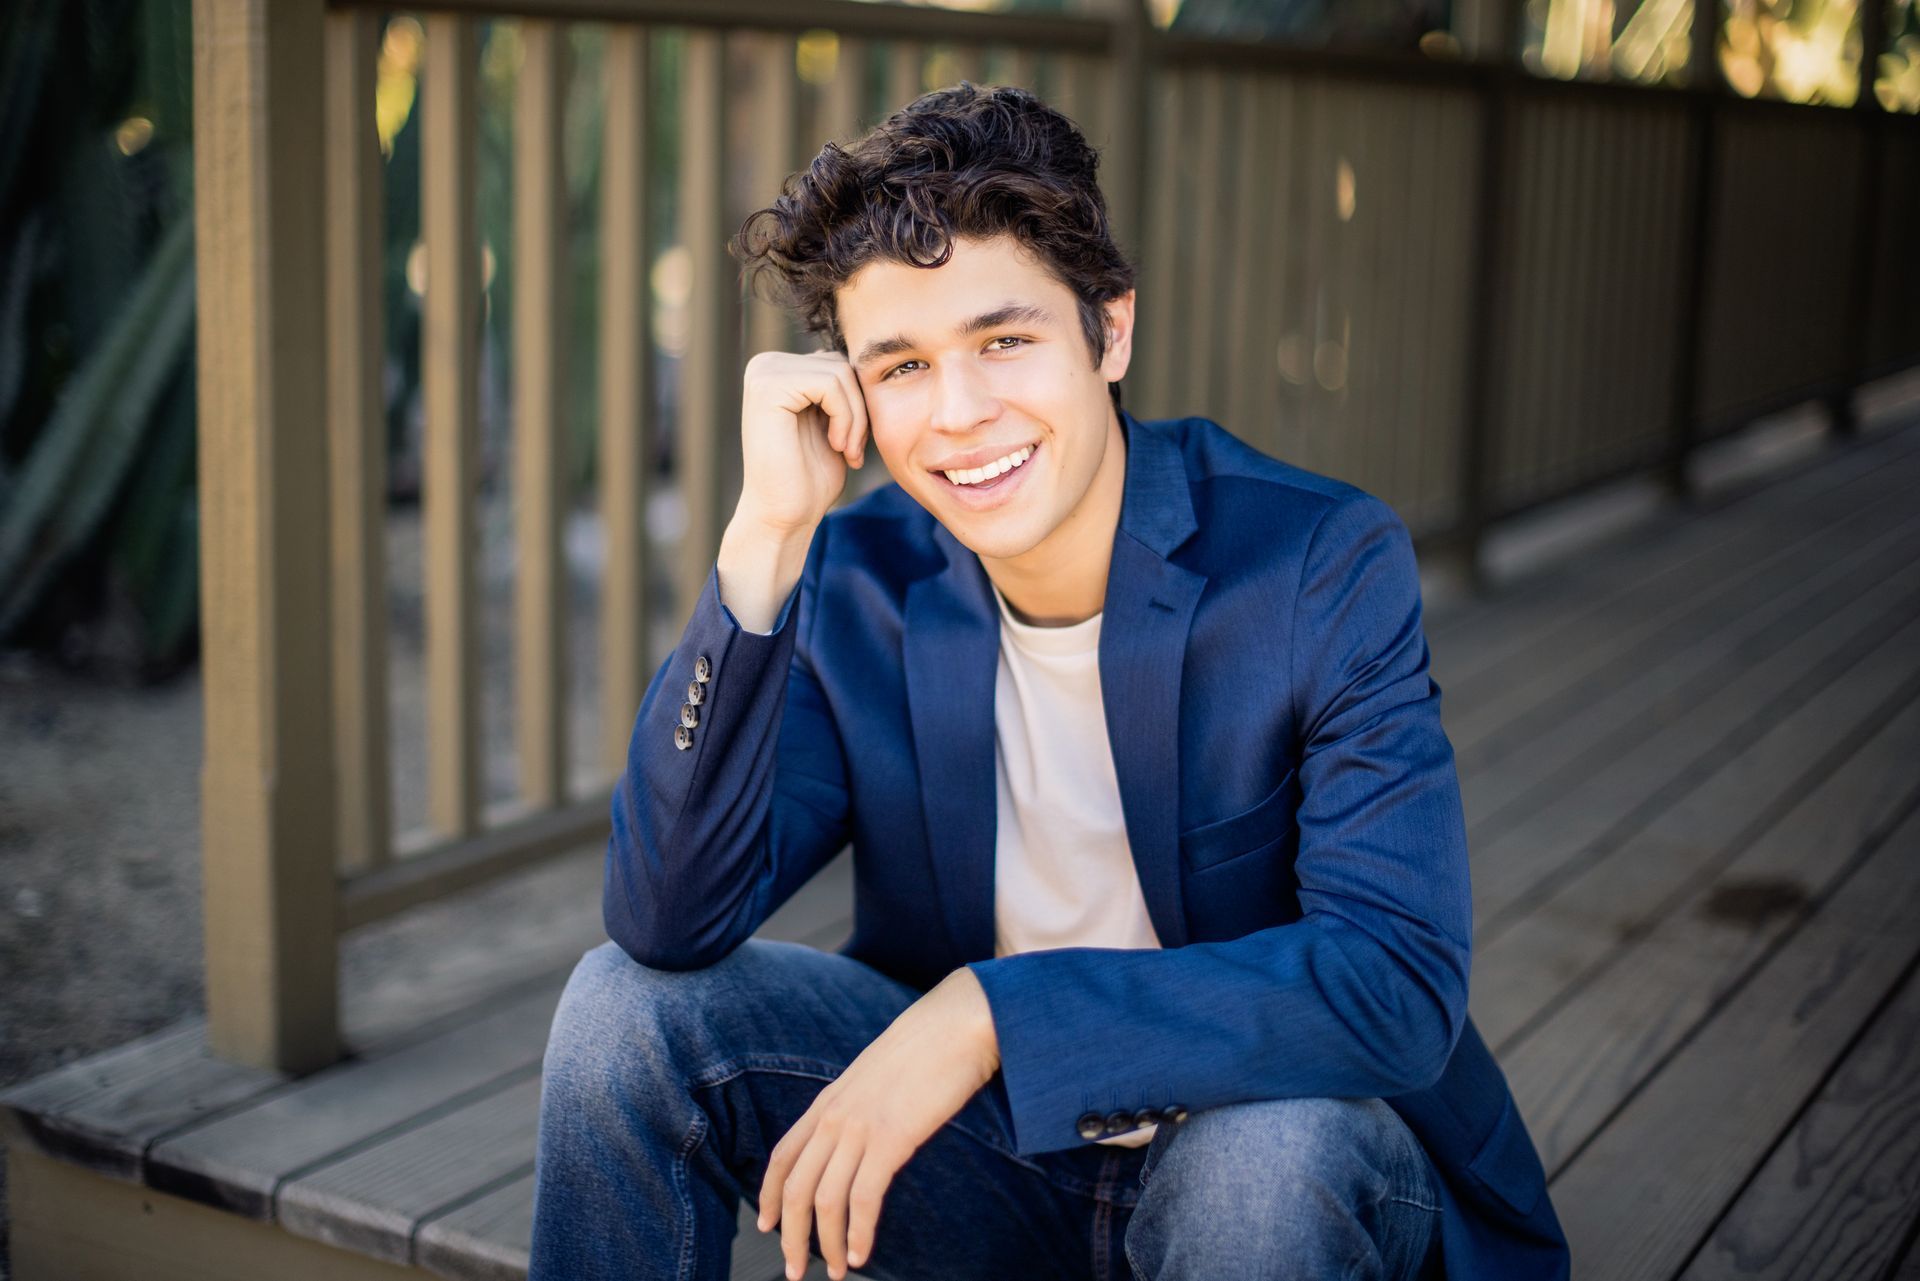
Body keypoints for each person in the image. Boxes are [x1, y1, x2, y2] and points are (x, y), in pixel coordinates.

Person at [527, 82, 1570, 1281]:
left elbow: (1394, 986)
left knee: (1261, 1162)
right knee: (622, 1014)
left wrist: (988, 1015)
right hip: (1001, 1169)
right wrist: (761, 546)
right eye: (903, 365)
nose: (962, 415)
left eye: (1004, 340)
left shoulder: (1317, 566)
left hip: (1282, 1169)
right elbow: (668, 922)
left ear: (1109, 331)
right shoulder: (856, 582)